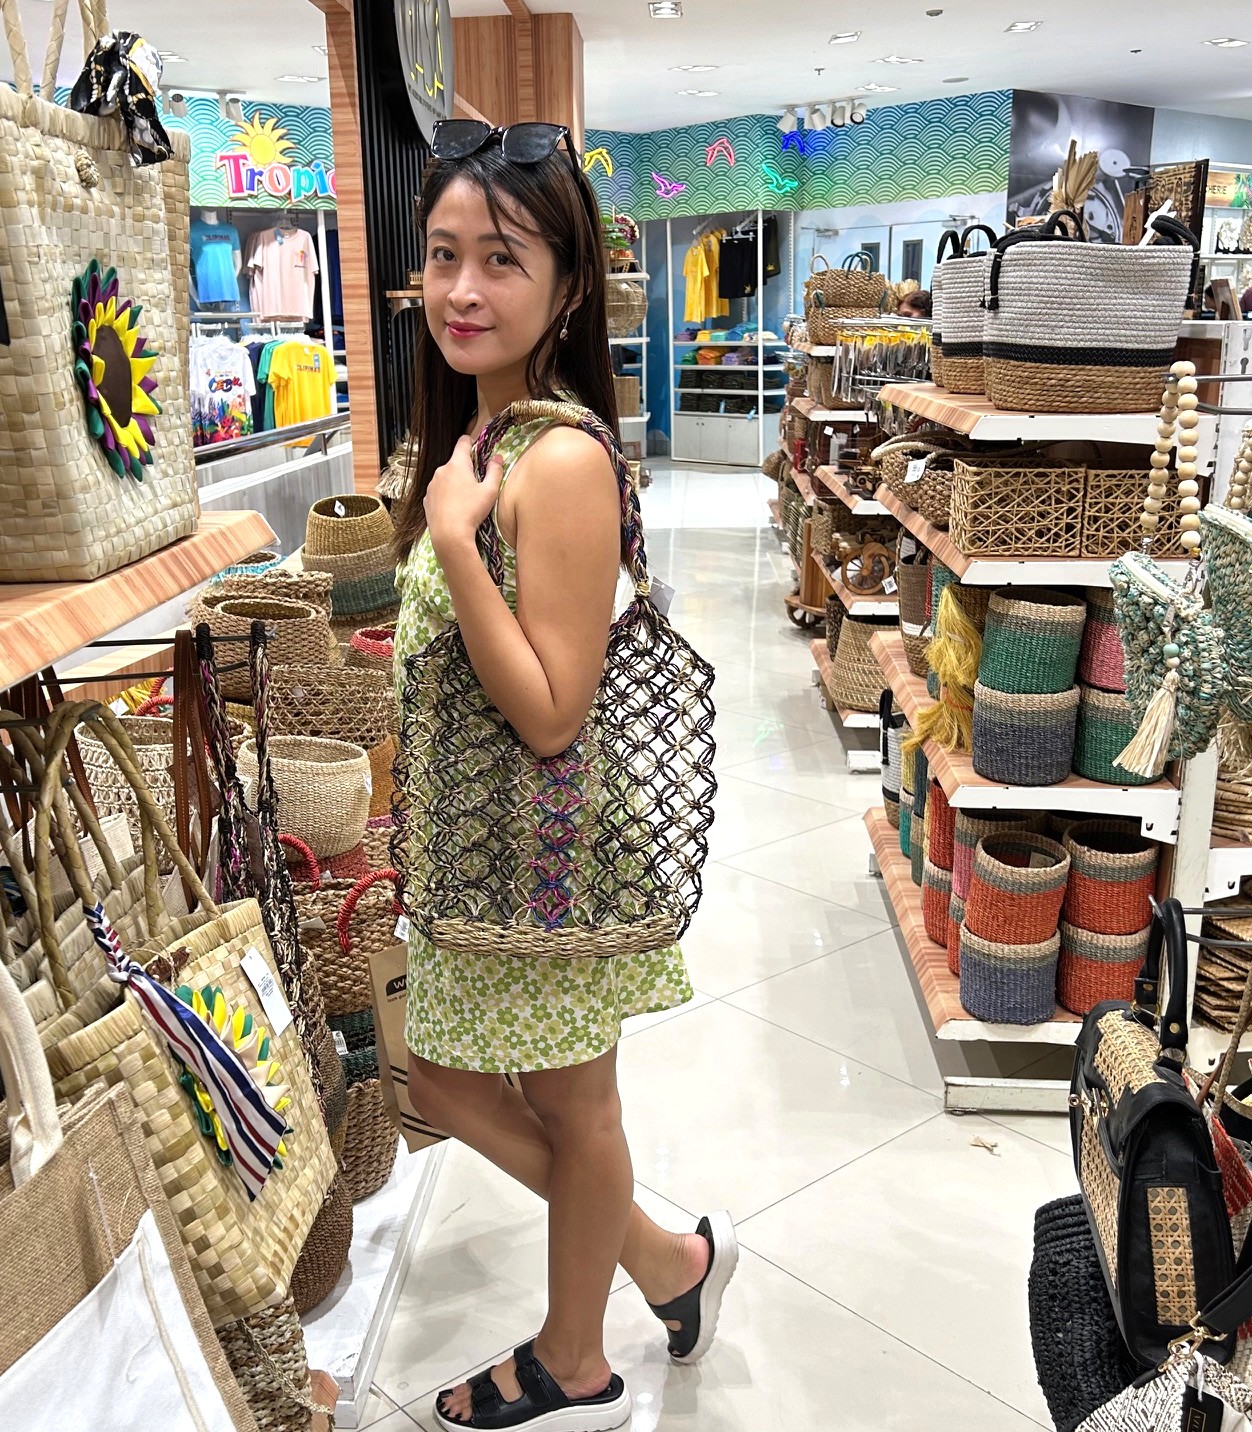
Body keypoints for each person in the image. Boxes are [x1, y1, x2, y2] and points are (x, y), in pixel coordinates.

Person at [390, 118, 736, 1432]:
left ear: (568, 284)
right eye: (443, 256)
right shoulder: (484, 437)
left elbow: (549, 715)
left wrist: (453, 545)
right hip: (485, 848)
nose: (463, 288)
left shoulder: (563, 461)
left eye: (501, 259)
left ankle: (576, 1358)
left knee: (567, 1104)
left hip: (549, 853)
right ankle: (660, 1259)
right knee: (448, 1080)